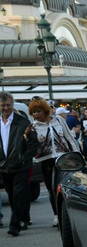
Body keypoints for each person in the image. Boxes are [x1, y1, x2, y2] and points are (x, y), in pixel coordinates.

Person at [29, 97, 81, 227]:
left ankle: (65, 213)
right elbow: (31, 145)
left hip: (61, 157)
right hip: (44, 159)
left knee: (59, 186)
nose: (36, 114)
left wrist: (77, 155)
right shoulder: (33, 126)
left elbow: (69, 138)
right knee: (50, 188)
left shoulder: (59, 120)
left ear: (45, 110)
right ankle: (57, 215)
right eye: (33, 112)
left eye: (38, 111)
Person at [0, 91, 38, 236]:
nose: (5, 108)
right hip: (4, 166)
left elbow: (33, 143)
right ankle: (21, 217)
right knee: (11, 195)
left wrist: (24, 159)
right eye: (3, 105)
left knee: (18, 194)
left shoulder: (22, 121)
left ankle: (14, 225)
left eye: (8, 105)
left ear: (12, 105)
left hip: (20, 165)